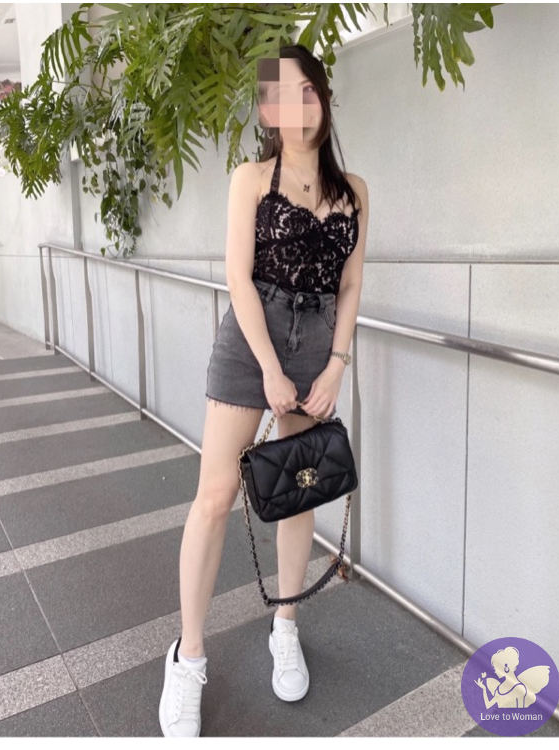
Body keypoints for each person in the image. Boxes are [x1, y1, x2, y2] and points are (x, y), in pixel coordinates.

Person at [159, 43, 369, 737]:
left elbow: (350, 286)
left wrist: (335, 365)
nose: (296, 108)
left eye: (307, 92)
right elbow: (238, 276)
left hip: (317, 349)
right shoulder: (251, 178)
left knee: (296, 491)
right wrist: (272, 369)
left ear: (323, 98)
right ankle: (188, 659)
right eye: (281, 96)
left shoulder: (355, 191)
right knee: (216, 495)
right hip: (252, 345)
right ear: (266, 110)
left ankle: (286, 624)